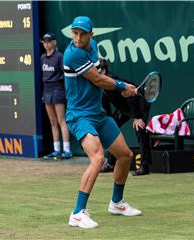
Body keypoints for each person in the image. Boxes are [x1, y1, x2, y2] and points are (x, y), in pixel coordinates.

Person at [63, 16, 142, 229]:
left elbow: (99, 76)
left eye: (82, 34)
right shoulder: (73, 54)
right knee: (97, 158)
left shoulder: (93, 47)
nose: (78, 38)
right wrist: (122, 85)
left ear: (91, 35)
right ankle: (78, 213)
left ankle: (117, 203)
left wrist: (121, 89)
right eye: (75, 33)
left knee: (125, 156)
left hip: (98, 114)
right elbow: (97, 79)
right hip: (79, 116)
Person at [99, 59, 152, 176]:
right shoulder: (100, 85)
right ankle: (111, 163)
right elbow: (106, 105)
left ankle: (145, 166)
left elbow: (131, 97)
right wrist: (109, 121)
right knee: (111, 128)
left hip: (139, 103)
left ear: (103, 71)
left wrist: (137, 117)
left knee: (140, 130)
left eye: (96, 71)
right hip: (124, 107)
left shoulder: (114, 82)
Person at [40, 32, 73, 160]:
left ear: (54, 42)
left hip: (58, 90)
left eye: (48, 41)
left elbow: (65, 74)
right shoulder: (42, 57)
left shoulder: (59, 56)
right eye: (44, 41)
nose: (46, 44)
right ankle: (57, 150)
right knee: (53, 122)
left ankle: (67, 150)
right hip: (47, 91)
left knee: (61, 120)